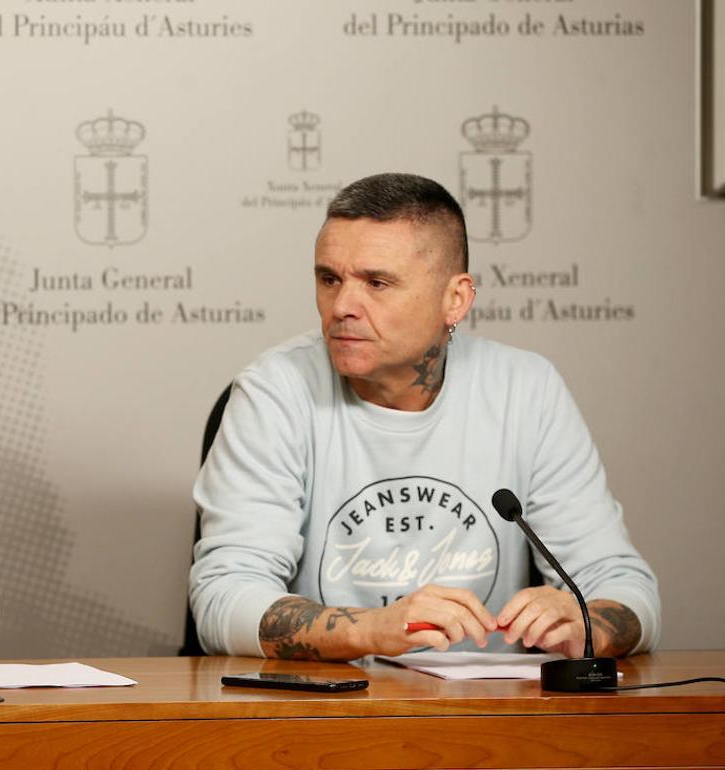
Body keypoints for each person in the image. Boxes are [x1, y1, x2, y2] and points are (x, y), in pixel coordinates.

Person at [189, 173, 659, 661]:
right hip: (331, 719)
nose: (342, 307)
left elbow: (627, 590)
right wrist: (372, 630)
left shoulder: (525, 389)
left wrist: (588, 623)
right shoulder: (276, 389)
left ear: (455, 299)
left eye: (377, 283)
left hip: (496, 717)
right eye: (329, 279)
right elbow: (223, 601)